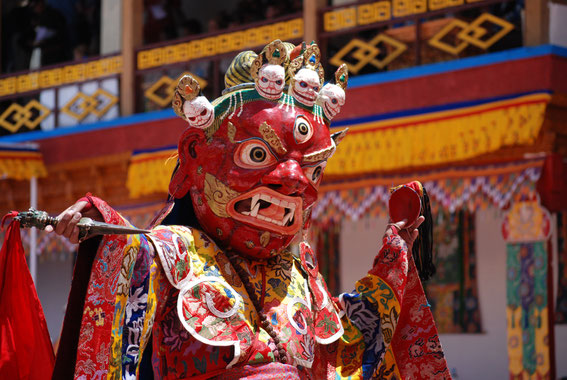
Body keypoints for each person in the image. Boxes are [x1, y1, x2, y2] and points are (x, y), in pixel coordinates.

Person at [47, 40, 450, 379]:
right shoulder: (172, 251)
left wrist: (394, 257)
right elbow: (131, 258)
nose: (294, 180)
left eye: (313, 168)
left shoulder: (298, 270)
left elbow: (343, 351)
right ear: (193, 156)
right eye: (258, 153)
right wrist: (100, 220)